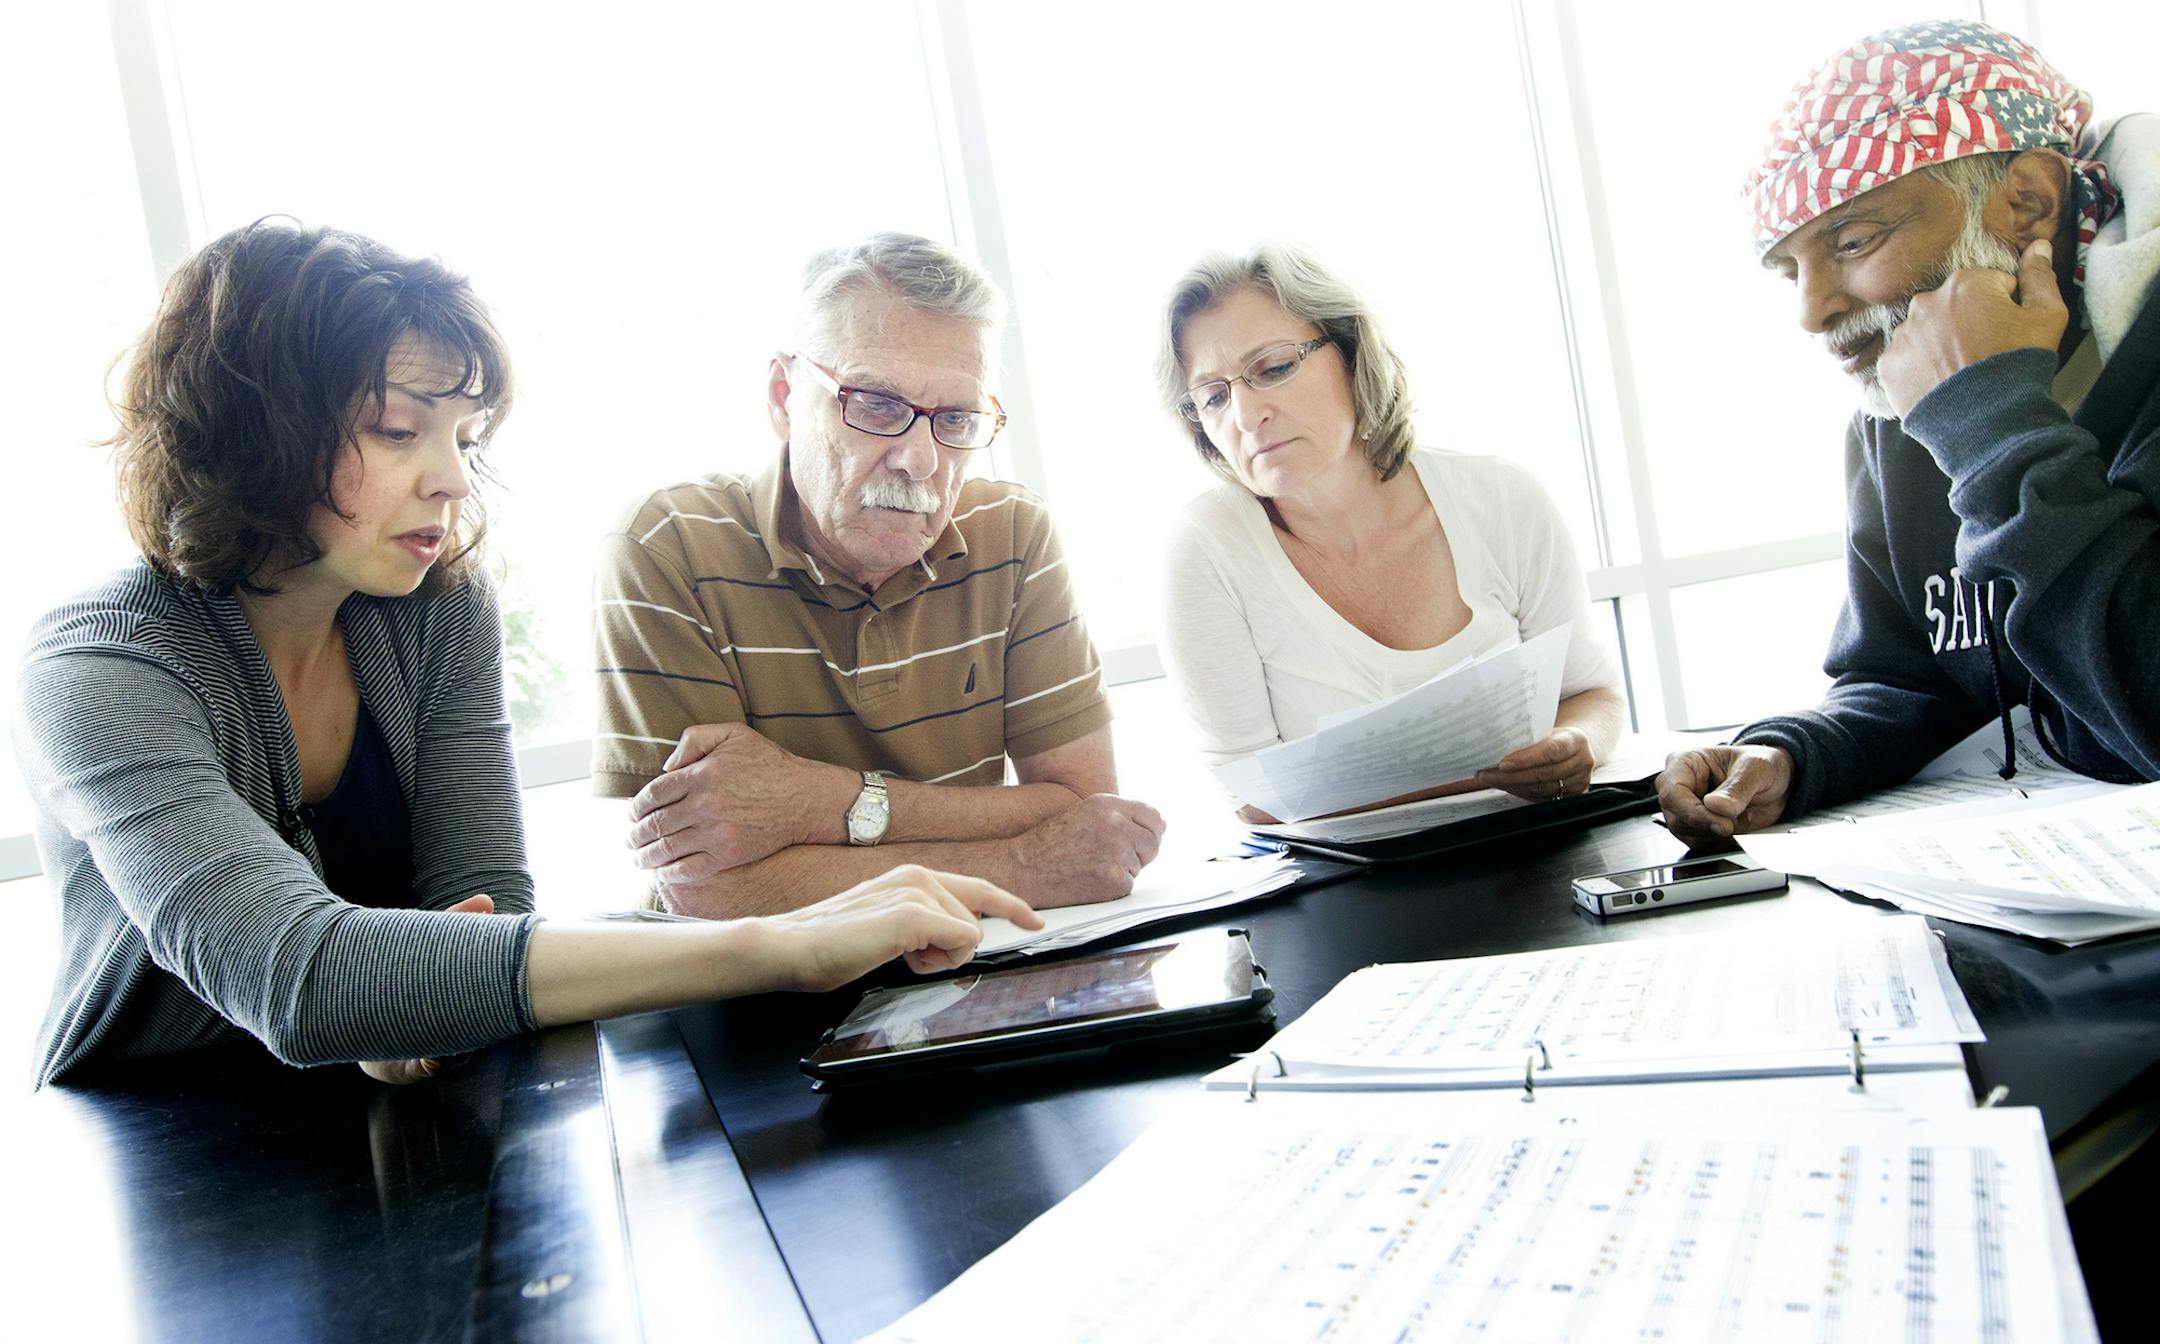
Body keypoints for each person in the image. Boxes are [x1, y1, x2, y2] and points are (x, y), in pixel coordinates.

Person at [17, 219, 1036, 1090]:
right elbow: (300, 978)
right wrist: (781, 944)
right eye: (396, 429)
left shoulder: (435, 610)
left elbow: (487, 912)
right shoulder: (100, 666)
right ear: (253, 434)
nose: (451, 479)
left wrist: (406, 997)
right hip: (160, 1146)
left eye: (463, 436)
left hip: (401, 1109)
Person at [1659, 21, 2160, 845]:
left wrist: (1990, 419)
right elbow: (1907, 676)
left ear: (2026, 201)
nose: (1812, 310)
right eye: (1792, 271)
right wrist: (1795, 753)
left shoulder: (1961, 394)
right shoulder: (1903, 404)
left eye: (1852, 243)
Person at [592, 233, 1163, 918]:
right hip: (766, 1005)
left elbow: (1083, 813)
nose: (920, 460)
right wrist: (1019, 864)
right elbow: (707, 892)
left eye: (955, 418)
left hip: (981, 970)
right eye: (876, 405)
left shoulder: (1013, 534)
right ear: (783, 396)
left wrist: (818, 803)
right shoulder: (667, 548)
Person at [1153, 244, 1626, 821]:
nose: (1246, 416)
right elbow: (1250, 794)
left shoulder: (1502, 498)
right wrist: (1472, 780)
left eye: (1273, 368)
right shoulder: (1206, 551)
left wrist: (1576, 746)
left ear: (1351, 353)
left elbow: (1590, 696)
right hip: (1344, 892)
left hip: (1536, 848)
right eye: (1214, 396)